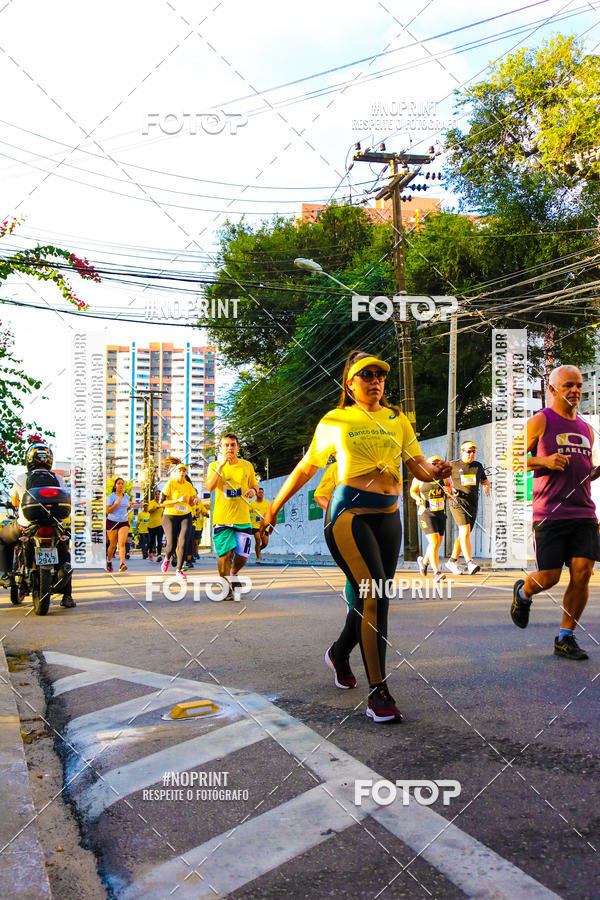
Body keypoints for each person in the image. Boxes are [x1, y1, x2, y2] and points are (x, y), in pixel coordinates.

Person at [261, 351, 452, 724]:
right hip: (349, 513)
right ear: (350, 383)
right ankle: (378, 692)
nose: (376, 380)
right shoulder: (336, 420)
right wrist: (272, 510)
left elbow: (416, 468)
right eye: (366, 375)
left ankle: (338, 651)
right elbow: (305, 469)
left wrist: (435, 470)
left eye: (380, 375)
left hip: (389, 516)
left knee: (374, 600)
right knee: (374, 596)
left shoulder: (398, 419)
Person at [510, 365, 600, 660]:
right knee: (550, 577)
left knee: (583, 572)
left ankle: (565, 636)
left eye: (578, 385)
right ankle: (524, 592)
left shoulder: (587, 429)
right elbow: (511, 459)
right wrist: (544, 462)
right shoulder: (540, 421)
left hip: (584, 512)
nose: (575, 390)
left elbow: (581, 468)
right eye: (568, 386)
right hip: (550, 512)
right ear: (551, 390)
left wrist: (593, 472)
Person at [0, 443, 74, 608]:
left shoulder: (21, 478)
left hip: (26, 525)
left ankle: (5, 574)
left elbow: (14, 502)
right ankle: (67, 596)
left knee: (3, 540)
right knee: (64, 555)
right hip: (54, 525)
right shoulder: (58, 478)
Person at [205, 432, 258, 600]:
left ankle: (234, 573)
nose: (230, 448)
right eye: (226, 445)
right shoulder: (214, 466)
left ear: (237, 447)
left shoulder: (247, 466)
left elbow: (255, 485)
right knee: (225, 554)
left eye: (232, 445)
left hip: (243, 518)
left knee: (243, 556)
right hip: (222, 519)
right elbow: (210, 487)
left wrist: (253, 491)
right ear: (221, 448)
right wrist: (220, 466)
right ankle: (225, 585)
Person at [444, 440, 490, 576]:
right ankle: (470, 563)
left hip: (472, 504)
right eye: (469, 451)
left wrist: (487, 486)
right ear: (462, 452)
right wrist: (450, 491)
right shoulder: (453, 465)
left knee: (465, 533)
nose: (472, 454)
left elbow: (484, 481)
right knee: (464, 530)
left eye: (474, 451)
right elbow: (445, 484)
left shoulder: (478, 466)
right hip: (458, 503)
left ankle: (452, 561)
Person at [410, 455, 446, 582]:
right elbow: (412, 491)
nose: (435, 466)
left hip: (440, 514)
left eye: (437, 463)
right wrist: (418, 498)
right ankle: (437, 572)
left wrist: (451, 492)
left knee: (436, 544)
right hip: (426, 514)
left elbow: (449, 489)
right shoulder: (420, 478)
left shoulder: (443, 477)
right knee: (434, 542)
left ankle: (424, 562)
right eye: (432, 463)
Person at [160, 464, 198, 579]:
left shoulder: (188, 485)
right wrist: (178, 500)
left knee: (183, 542)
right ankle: (167, 559)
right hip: (170, 516)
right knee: (172, 545)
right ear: (175, 472)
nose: (182, 473)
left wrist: (195, 500)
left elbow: (192, 501)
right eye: (180, 471)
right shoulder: (170, 483)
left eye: (184, 471)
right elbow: (162, 503)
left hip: (185, 516)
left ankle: (179, 569)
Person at [106, 478, 131, 573]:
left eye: (122, 484)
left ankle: (122, 563)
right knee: (112, 545)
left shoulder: (127, 496)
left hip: (123, 522)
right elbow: (108, 511)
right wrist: (116, 503)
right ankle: (109, 561)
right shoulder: (111, 497)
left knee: (122, 543)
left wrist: (129, 507)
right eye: (119, 483)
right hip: (112, 522)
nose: (121, 485)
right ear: (115, 485)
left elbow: (125, 508)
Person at [250, 487, 270, 563]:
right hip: (255, 526)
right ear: (256, 494)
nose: (261, 494)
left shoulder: (267, 503)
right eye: (259, 493)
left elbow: (269, 512)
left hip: (264, 526)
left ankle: (258, 550)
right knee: (258, 540)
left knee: (265, 543)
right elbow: (248, 512)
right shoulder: (252, 503)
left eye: (262, 492)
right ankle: (258, 558)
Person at [147, 489, 164, 562]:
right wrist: (155, 508)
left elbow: (163, 514)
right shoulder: (151, 503)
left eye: (158, 494)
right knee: (152, 540)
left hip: (160, 524)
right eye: (156, 494)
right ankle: (150, 552)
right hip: (151, 525)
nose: (157, 496)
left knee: (159, 540)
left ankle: (159, 555)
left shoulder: (162, 504)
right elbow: (149, 511)